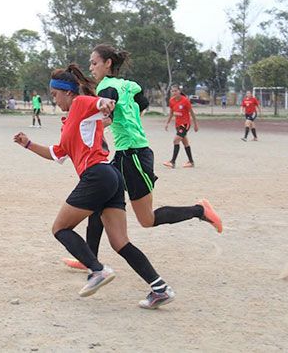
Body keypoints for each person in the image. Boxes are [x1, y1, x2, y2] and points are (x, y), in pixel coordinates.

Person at [15, 64, 175, 308]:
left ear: (68, 92)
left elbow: (98, 104)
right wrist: (28, 144)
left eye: (55, 94)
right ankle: (160, 288)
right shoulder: (69, 121)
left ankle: (97, 270)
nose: (54, 99)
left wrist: (105, 103)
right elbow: (57, 153)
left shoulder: (80, 103)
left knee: (60, 228)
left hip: (97, 175)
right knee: (120, 241)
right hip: (111, 177)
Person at [61, 45, 223, 276]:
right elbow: (142, 105)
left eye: (94, 62)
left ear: (108, 63)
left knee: (147, 219)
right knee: (97, 204)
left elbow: (105, 117)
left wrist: (82, 125)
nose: (91, 67)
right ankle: (90, 260)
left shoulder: (107, 87)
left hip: (133, 157)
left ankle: (200, 211)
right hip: (128, 153)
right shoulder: (127, 85)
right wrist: (126, 121)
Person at [163, 85, 199, 169]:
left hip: (185, 124)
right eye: (172, 91)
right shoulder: (171, 101)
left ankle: (172, 162)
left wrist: (195, 124)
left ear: (179, 91)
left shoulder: (185, 101)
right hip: (178, 125)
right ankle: (191, 162)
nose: (174, 93)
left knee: (176, 140)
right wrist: (167, 123)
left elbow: (192, 113)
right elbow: (171, 113)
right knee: (185, 143)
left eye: (176, 91)